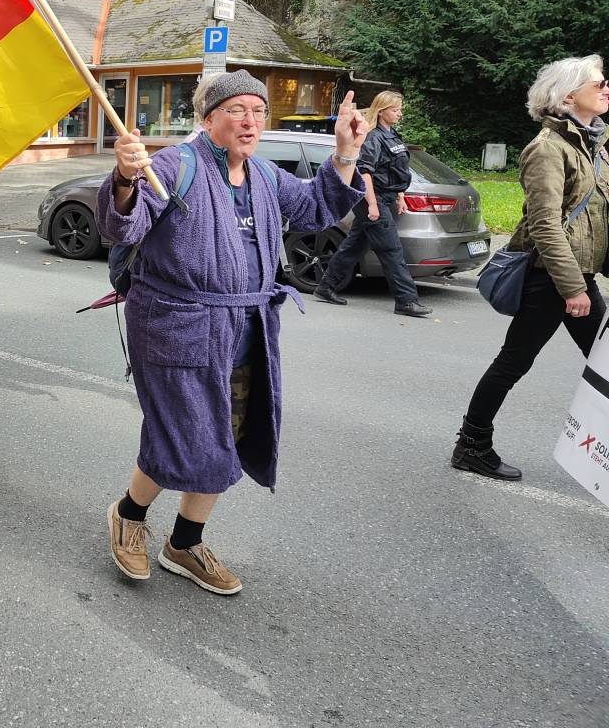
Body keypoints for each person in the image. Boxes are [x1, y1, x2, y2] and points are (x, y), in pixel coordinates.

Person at [97, 70, 368, 595]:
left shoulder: (264, 176)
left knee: (226, 437)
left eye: (259, 111)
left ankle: (184, 542)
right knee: (184, 435)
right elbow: (122, 226)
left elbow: (315, 207)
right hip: (176, 328)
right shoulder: (175, 166)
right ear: (208, 118)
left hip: (246, 330)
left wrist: (345, 154)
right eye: (237, 110)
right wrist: (126, 179)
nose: (251, 121)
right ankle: (129, 514)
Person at [456, 55, 609, 481]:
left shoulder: (593, 146)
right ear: (568, 96)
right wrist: (573, 288)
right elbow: (545, 225)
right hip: (552, 278)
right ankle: (472, 445)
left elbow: (597, 218)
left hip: (578, 276)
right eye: (598, 83)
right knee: (514, 362)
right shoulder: (547, 149)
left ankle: (472, 444)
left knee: (601, 363)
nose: (606, 88)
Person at [312, 91, 431, 317]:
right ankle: (406, 301)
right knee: (391, 250)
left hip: (386, 197)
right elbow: (364, 173)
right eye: (395, 110)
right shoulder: (373, 137)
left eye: (400, 109)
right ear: (382, 110)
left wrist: (400, 196)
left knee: (355, 245)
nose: (399, 113)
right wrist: (372, 205)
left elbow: (396, 170)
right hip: (372, 199)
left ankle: (326, 287)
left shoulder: (392, 135)